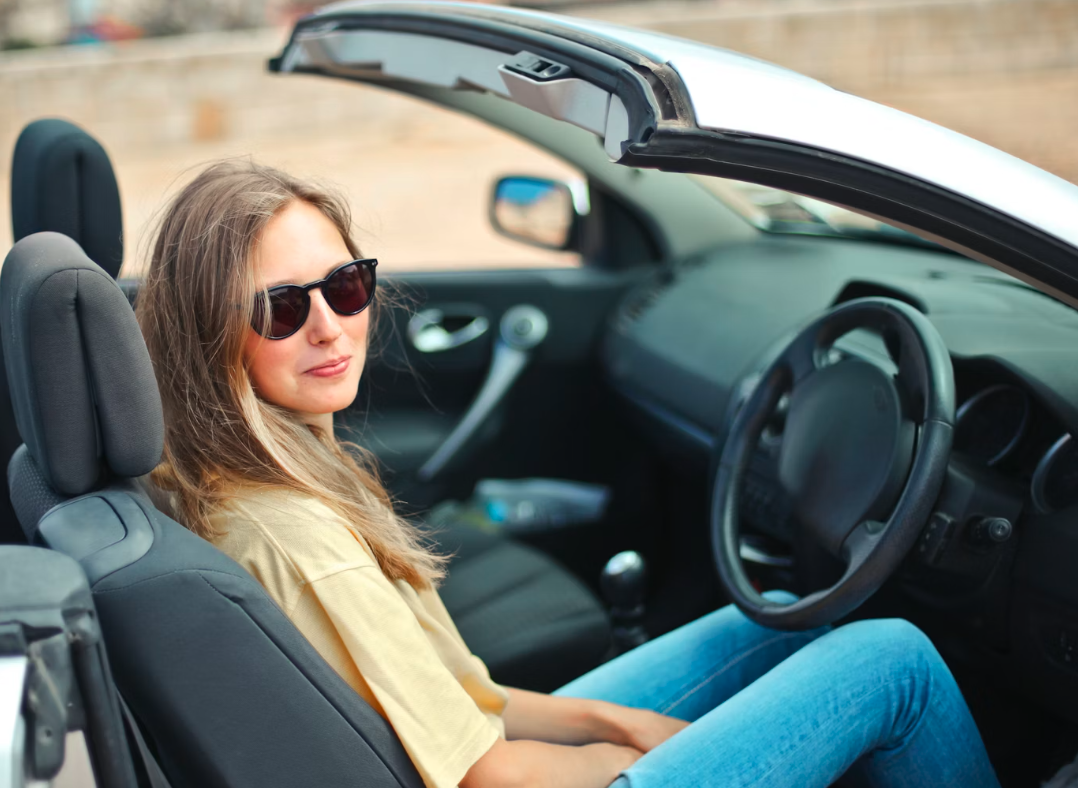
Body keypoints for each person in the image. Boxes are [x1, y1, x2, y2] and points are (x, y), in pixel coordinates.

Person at [134, 159, 1001, 788]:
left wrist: (614, 721)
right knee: (891, 662)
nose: (328, 326)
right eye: (282, 307)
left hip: (485, 755)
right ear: (210, 335)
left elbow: (466, 700)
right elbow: (486, 774)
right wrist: (615, 759)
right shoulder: (297, 536)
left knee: (784, 625)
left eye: (346, 286)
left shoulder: (252, 478)